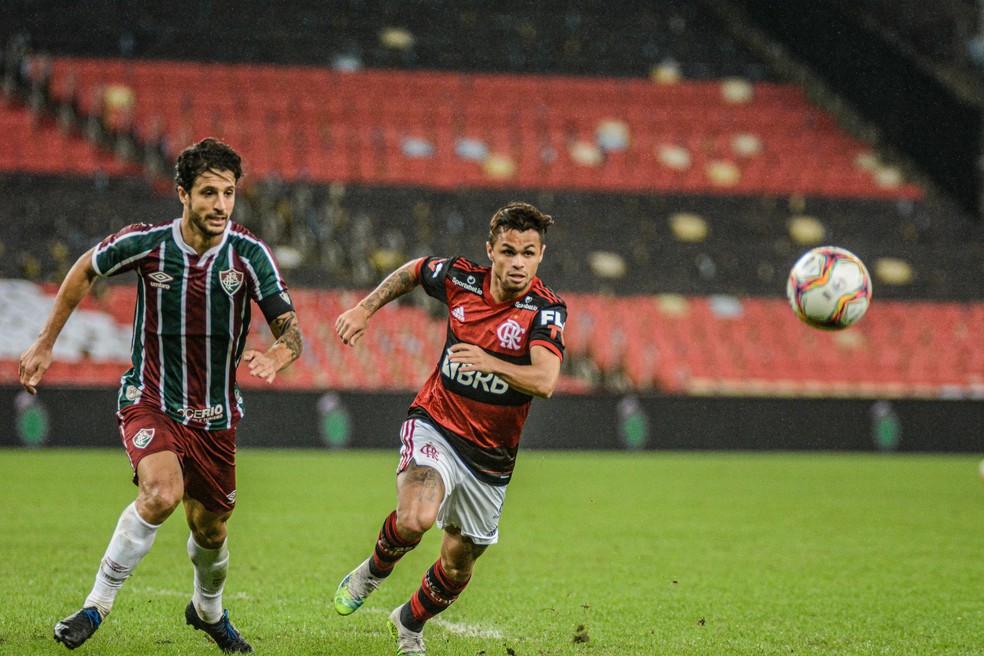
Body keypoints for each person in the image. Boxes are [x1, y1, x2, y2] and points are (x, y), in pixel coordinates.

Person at [18, 137, 303, 653]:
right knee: (161, 494)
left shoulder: (249, 255)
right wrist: (44, 342)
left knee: (211, 531)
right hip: (152, 399)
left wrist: (278, 355)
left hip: (215, 417)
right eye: (208, 192)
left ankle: (207, 611)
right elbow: (86, 268)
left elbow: (291, 331)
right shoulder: (149, 244)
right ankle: (95, 606)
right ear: (183, 194)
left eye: (229, 193)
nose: (220, 204)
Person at [332, 202, 567, 655]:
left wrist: (490, 363)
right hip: (437, 424)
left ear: (541, 255)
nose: (518, 263)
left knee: (458, 565)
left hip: (491, 458)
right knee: (415, 518)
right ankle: (373, 572)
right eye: (509, 251)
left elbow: (545, 381)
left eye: (529, 253)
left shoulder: (545, 309)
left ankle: (408, 623)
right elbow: (414, 271)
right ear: (491, 251)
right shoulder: (461, 279)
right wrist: (364, 309)